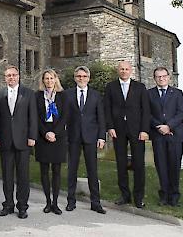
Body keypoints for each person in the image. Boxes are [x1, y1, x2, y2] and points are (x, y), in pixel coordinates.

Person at [0, 66, 37, 219]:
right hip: (5, 141)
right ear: (5, 78)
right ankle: (8, 204)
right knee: (7, 176)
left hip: (23, 141)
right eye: (8, 75)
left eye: (14, 75)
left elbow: (33, 117)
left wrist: (32, 136)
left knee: (23, 176)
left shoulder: (29, 94)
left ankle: (22, 206)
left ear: (18, 76)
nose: (11, 78)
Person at [104, 61, 150, 208]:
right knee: (121, 163)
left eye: (126, 69)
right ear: (118, 71)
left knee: (138, 163)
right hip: (118, 130)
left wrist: (144, 130)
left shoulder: (140, 87)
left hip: (137, 131)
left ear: (131, 71)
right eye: (121, 69)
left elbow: (146, 110)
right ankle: (124, 195)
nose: (124, 71)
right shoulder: (111, 87)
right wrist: (110, 127)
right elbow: (107, 108)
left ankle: (138, 197)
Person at [65, 65, 107, 214]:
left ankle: (95, 202)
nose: (81, 79)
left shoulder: (96, 95)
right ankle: (71, 201)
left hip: (91, 137)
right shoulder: (68, 94)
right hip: (73, 137)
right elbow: (64, 117)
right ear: (75, 78)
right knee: (72, 170)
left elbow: (101, 118)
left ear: (88, 78)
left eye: (84, 76)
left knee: (92, 171)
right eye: (79, 76)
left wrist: (102, 136)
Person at [148, 66, 183, 207]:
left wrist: (169, 126)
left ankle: (174, 196)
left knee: (174, 166)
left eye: (164, 76)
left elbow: (181, 113)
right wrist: (159, 127)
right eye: (158, 76)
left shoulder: (177, 93)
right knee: (161, 166)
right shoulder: (149, 94)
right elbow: (147, 114)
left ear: (168, 77)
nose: (161, 78)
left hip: (175, 136)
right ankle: (164, 196)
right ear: (155, 78)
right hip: (158, 136)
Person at [34, 68, 69, 215]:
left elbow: (65, 117)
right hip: (43, 136)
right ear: (43, 81)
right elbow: (35, 117)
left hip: (58, 136)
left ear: (56, 79)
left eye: (51, 78)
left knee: (56, 171)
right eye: (46, 78)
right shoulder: (37, 96)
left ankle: (55, 203)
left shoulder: (63, 96)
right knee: (44, 171)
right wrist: (45, 132)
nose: (49, 81)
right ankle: (47, 202)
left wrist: (54, 132)